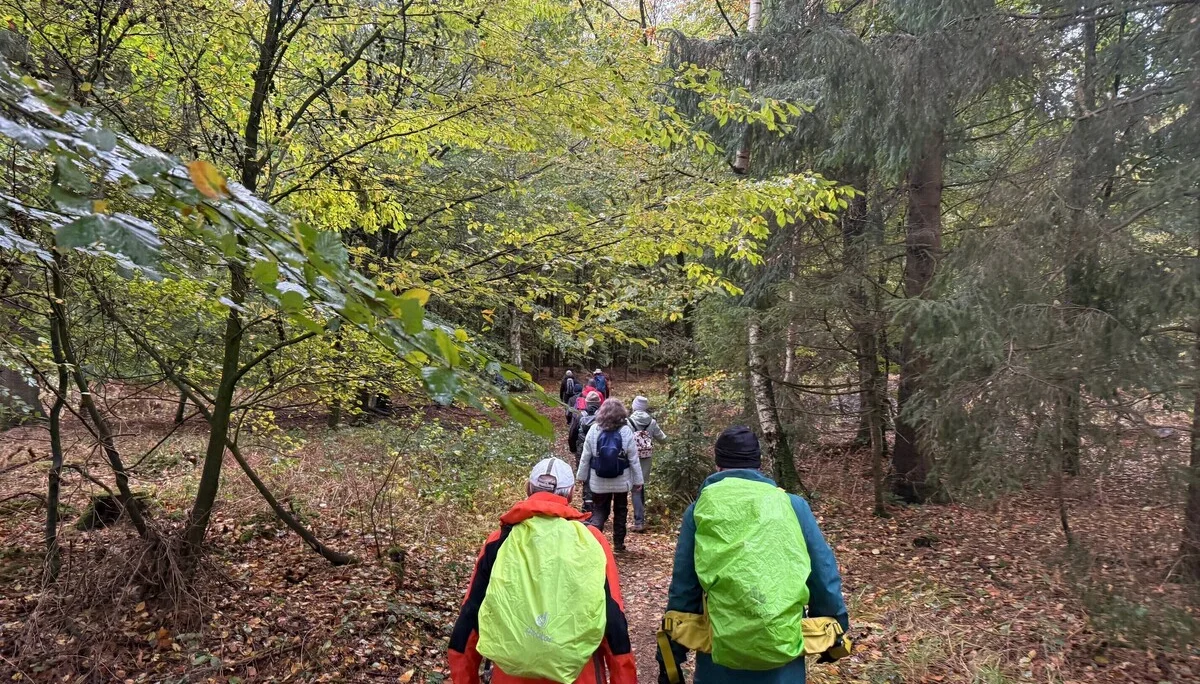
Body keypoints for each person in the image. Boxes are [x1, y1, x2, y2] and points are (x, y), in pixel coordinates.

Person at [655, 426, 849, 684]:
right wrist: (834, 632)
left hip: (718, 658)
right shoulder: (793, 506)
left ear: (718, 464)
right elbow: (823, 574)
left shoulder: (700, 509)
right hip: (783, 657)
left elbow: (684, 589)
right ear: (758, 464)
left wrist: (669, 658)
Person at [448, 457, 637, 684]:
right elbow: (613, 619)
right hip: (580, 676)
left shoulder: (499, 541)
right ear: (570, 494)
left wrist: (465, 679)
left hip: (509, 677)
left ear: (528, 488)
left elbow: (470, 618)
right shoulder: (591, 540)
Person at [575, 399, 641, 553]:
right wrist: (638, 481)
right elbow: (633, 458)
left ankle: (595, 542)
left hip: (599, 480)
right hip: (621, 480)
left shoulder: (594, 430)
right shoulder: (626, 431)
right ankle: (618, 544)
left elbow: (586, 456)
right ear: (621, 414)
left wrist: (582, 477)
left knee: (599, 509)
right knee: (621, 509)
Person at [627, 395, 667, 533]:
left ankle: (639, 522)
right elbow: (663, 439)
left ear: (634, 406)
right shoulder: (652, 422)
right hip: (646, 459)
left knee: (635, 488)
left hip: (631, 458)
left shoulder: (628, 421)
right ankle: (640, 517)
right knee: (640, 485)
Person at [568, 391, 603, 512]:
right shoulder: (603, 416)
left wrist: (573, 448)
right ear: (599, 403)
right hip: (599, 450)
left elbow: (572, 433)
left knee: (586, 475)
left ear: (586, 402)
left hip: (582, 449)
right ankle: (598, 503)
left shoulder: (580, 415)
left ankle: (587, 504)